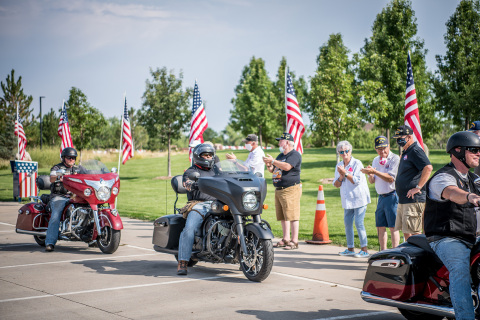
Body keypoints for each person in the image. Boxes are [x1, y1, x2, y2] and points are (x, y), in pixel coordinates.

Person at [424, 131, 480, 320]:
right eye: (474, 150)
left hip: (470, 236)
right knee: (460, 268)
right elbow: (451, 192)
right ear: (457, 151)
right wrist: (469, 197)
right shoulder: (443, 178)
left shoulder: (473, 179)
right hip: (447, 237)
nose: (479, 153)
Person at [177, 143, 216, 275]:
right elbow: (187, 184)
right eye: (206, 155)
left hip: (219, 203)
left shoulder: (217, 170)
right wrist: (192, 184)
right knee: (189, 228)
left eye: (210, 155)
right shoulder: (190, 171)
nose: (209, 157)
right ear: (198, 156)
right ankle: (183, 261)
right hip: (199, 204)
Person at [393, 125, 433, 241]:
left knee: (414, 233)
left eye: (401, 137)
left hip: (413, 199)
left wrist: (418, 187)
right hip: (404, 199)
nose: (398, 140)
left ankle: (417, 257)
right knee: (406, 232)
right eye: (397, 138)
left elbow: (428, 167)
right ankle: (410, 256)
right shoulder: (407, 151)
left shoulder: (415, 150)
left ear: (409, 137)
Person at [263, 132, 302, 250]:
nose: (279, 143)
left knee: (292, 214)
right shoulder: (280, 155)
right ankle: (286, 239)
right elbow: (273, 170)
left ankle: (294, 241)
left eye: (281, 141)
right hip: (279, 189)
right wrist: (269, 164)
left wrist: (273, 161)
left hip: (290, 188)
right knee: (283, 216)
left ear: (287, 142)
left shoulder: (295, 155)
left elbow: (287, 167)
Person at [361, 136, 400, 251]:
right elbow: (372, 181)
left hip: (392, 195)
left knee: (393, 227)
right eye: (379, 149)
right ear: (375, 149)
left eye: (384, 148)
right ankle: (383, 252)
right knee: (380, 226)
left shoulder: (395, 158)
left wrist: (375, 171)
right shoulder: (375, 160)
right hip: (381, 197)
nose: (382, 152)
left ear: (389, 146)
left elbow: (390, 179)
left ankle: (395, 252)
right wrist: (370, 174)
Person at [333, 141, 371, 258]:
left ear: (350, 151)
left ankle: (364, 249)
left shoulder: (357, 163)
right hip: (347, 199)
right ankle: (350, 248)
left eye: (346, 151)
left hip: (359, 198)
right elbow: (336, 184)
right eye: (341, 152)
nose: (344, 153)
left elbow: (356, 180)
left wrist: (345, 173)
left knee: (359, 223)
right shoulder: (339, 165)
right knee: (347, 223)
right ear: (339, 153)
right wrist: (341, 176)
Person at [45, 147, 84, 252]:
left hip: (74, 196)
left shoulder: (78, 168)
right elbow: (52, 178)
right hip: (59, 196)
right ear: (63, 158)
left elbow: (88, 174)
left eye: (73, 157)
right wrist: (60, 176)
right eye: (69, 157)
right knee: (56, 215)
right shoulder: (57, 168)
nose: (72, 159)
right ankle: (50, 242)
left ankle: (93, 238)